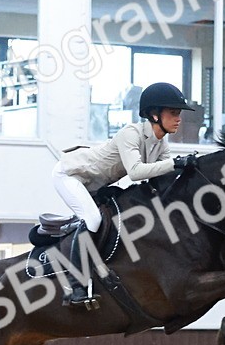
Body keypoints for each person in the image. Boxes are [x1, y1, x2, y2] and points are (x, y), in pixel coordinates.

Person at [52, 82, 198, 234]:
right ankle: (76, 257)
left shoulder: (161, 144)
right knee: (94, 220)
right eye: (173, 113)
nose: (179, 119)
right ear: (155, 114)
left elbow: (163, 177)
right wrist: (176, 163)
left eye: (179, 113)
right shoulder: (131, 133)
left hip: (95, 185)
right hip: (69, 175)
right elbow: (135, 172)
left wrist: (188, 171)